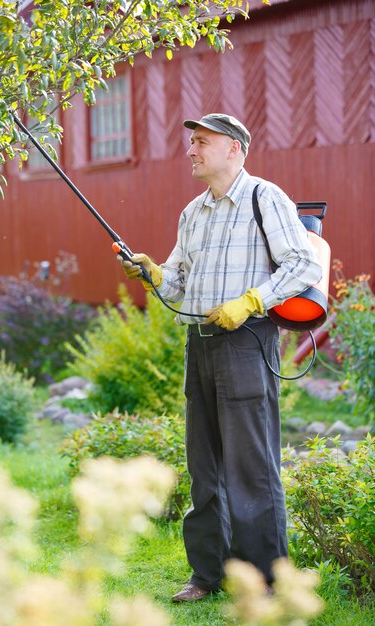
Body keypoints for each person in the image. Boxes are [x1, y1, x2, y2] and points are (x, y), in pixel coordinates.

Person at [118, 113, 322, 602]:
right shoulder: (193, 212)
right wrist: (153, 272)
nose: (191, 150)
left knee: (251, 468)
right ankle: (208, 575)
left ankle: (267, 584)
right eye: (192, 142)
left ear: (233, 148)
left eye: (201, 142)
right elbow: (180, 279)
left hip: (247, 343)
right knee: (204, 466)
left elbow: (304, 264)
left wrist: (251, 301)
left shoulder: (263, 197)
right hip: (201, 345)